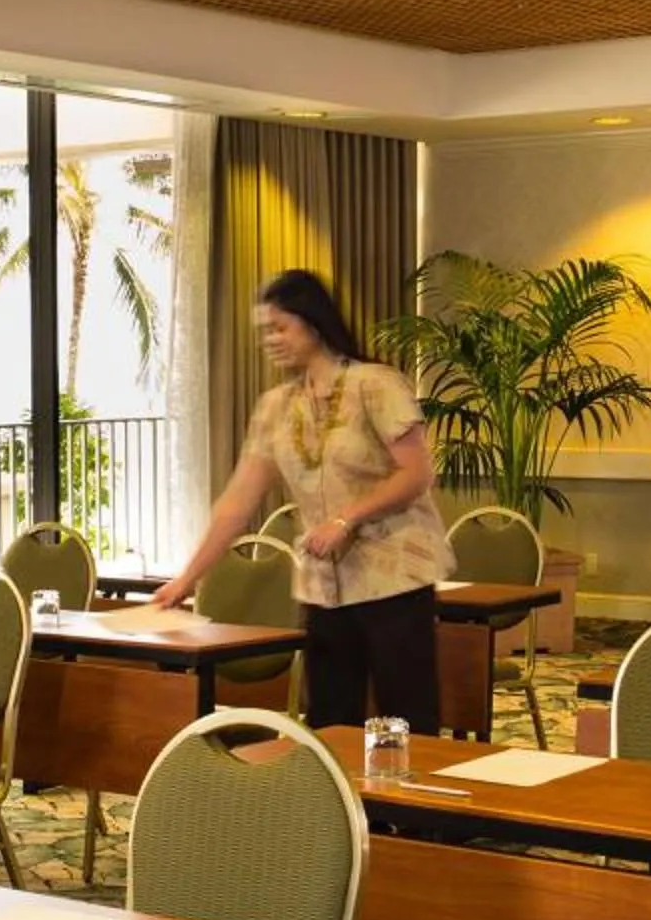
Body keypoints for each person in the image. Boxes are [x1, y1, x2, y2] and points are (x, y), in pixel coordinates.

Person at [154, 270, 449, 733]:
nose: (270, 340)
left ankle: (409, 808)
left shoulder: (375, 384)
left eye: (279, 327)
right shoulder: (276, 406)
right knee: (330, 722)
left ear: (313, 323)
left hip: (393, 577)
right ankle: (338, 807)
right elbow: (236, 502)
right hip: (321, 586)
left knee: (406, 718)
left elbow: (416, 474)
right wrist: (188, 578)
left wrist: (346, 518)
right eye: (265, 331)